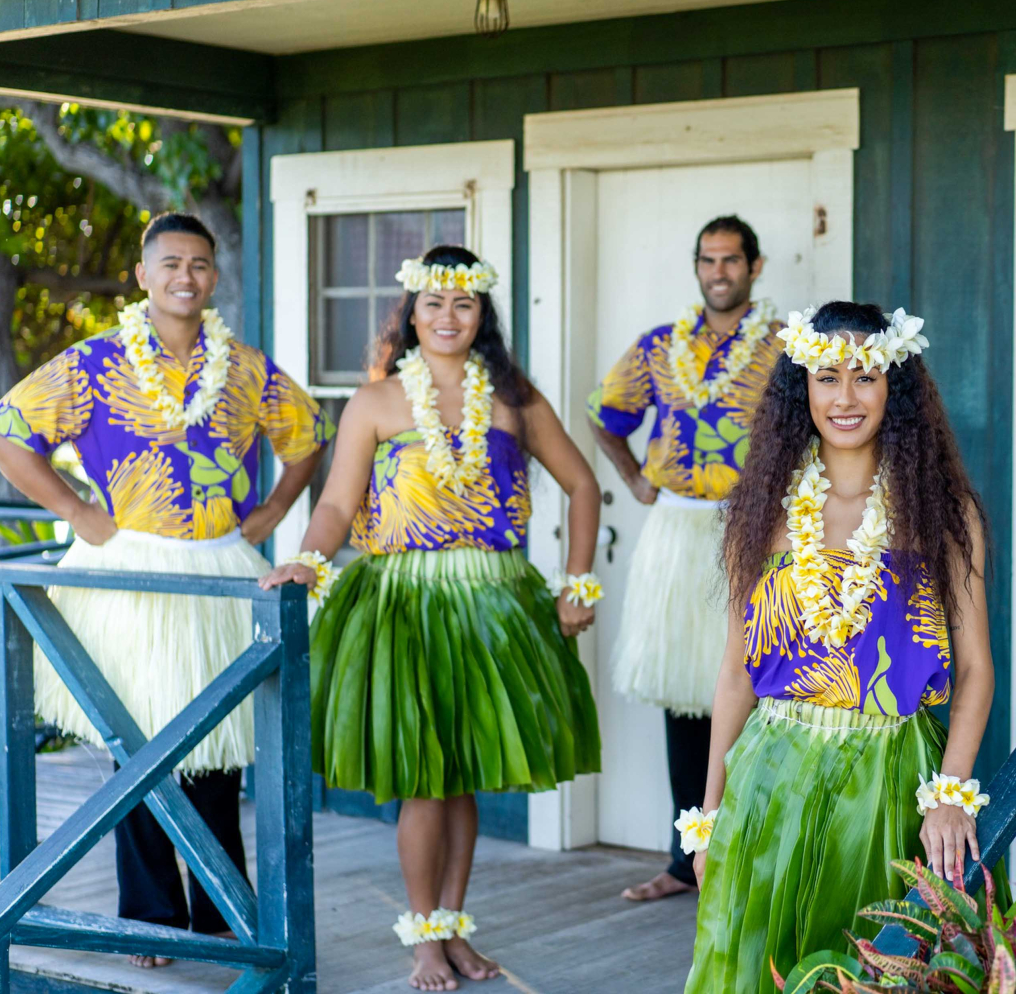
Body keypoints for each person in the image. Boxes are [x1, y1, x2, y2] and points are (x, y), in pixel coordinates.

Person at [0, 212, 331, 968]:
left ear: (214, 277)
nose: (186, 276)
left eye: (200, 264)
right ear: (142, 276)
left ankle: (221, 918)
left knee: (218, 750)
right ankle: (149, 916)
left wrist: (274, 509)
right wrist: (76, 510)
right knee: (136, 747)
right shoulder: (94, 363)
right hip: (128, 568)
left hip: (217, 565)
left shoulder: (243, 368)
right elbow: (4, 430)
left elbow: (309, 436)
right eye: (170, 263)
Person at [260, 244, 603, 993]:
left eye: (464, 303)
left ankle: (454, 928)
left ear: (483, 315)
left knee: (464, 778)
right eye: (434, 303)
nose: (448, 317)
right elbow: (337, 505)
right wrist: (306, 564)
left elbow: (582, 485)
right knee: (424, 775)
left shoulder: (513, 397)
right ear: (410, 313)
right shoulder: (377, 403)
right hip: (405, 603)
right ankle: (423, 941)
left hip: (494, 600)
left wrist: (580, 583)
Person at [683, 301, 1000, 990]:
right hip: (771, 774)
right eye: (827, 378)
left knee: (878, 969)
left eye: (865, 378)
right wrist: (709, 813)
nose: (846, 398)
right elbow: (737, 675)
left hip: (891, 776)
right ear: (804, 390)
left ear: (897, 387)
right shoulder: (761, 510)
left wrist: (950, 795)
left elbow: (975, 670)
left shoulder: (944, 513)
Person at [587, 215, 782, 901]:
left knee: (759, 693)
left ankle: (752, 858)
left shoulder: (785, 348)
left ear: (755, 267)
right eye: (708, 260)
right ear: (696, 266)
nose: (718, 272)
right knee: (685, 701)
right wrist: (637, 479)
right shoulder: (658, 347)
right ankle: (684, 861)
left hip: (755, 533)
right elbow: (605, 414)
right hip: (676, 531)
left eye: (731, 260)